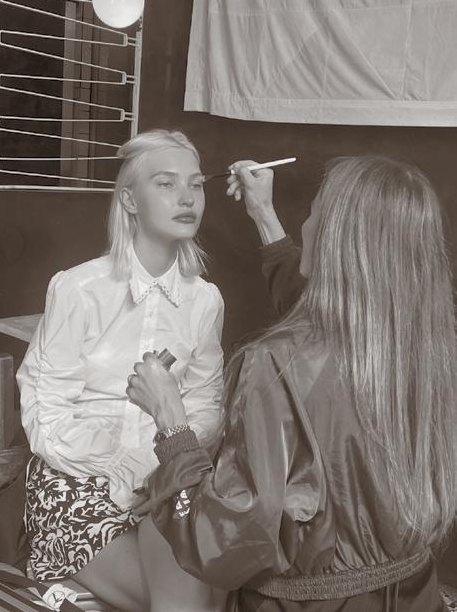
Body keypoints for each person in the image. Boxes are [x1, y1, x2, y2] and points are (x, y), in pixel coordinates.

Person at [128, 155, 457, 612]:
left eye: (313, 214)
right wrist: (264, 215)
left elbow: (222, 545)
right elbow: (328, 324)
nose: (305, 227)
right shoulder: (427, 346)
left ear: (336, 240)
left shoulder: (272, 365)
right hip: (415, 594)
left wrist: (171, 424)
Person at [16, 129, 226, 612]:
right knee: (193, 600)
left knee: (208, 586)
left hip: (165, 477)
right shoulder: (78, 289)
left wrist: (154, 465)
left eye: (196, 185)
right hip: (76, 480)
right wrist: (114, 461)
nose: (187, 198)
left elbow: (206, 405)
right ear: (129, 200)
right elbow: (45, 410)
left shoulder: (205, 301)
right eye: (166, 184)